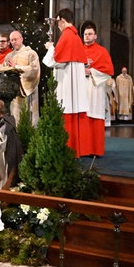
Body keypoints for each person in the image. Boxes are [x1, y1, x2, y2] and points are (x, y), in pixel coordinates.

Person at [42, 8, 88, 157]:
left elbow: (56, 61)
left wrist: (50, 48)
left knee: (66, 112)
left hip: (67, 84)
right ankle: (75, 150)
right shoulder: (76, 37)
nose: (58, 26)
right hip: (74, 84)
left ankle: (67, 150)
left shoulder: (67, 36)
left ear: (61, 19)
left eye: (57, 23)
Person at [81, 21, 114, 156]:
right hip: (82, 88)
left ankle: (96, 150)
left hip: (95, 88)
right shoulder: (78, 50)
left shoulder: (102, 52)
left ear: (95, 36)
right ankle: (83, 149)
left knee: (95, 116)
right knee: (83, 117)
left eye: (90, 34)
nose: (87, 36)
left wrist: (91, 72)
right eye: (85, 34)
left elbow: (108, 71)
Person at [2, 30, 41, 126]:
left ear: (21, 39)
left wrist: (17, 67)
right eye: (11, 40)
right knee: (16, 118)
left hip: (28, 92)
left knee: (29, 120)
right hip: (15, 93)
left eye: (15, 39)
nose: (13, 42)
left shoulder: (31, 53)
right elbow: (4, 70)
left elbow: (34, 70)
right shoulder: (9, 56)